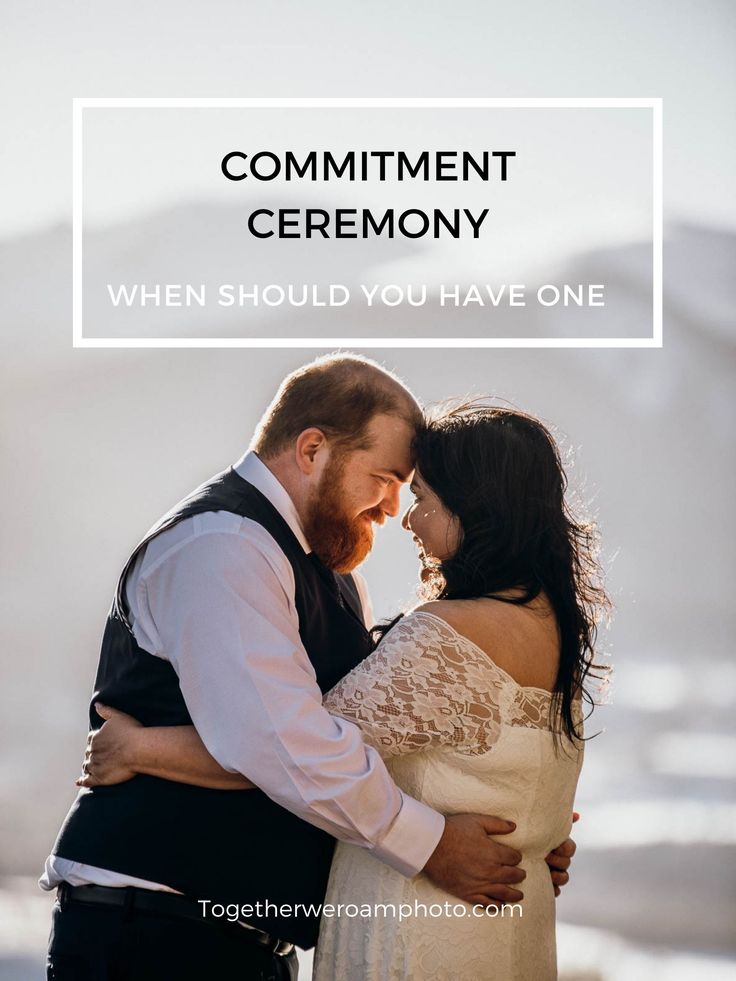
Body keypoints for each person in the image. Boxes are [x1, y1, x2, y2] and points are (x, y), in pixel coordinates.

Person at [43, 355, 576, 981]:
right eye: (384, 476)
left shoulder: (330, 573)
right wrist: (432, 844)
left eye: (412, 488)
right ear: (313, 449)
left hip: (237, 938)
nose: (393, 508)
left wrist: (525, 833)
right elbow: (281, 741)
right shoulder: (224, 546)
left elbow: (358, 739)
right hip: (155, 927)